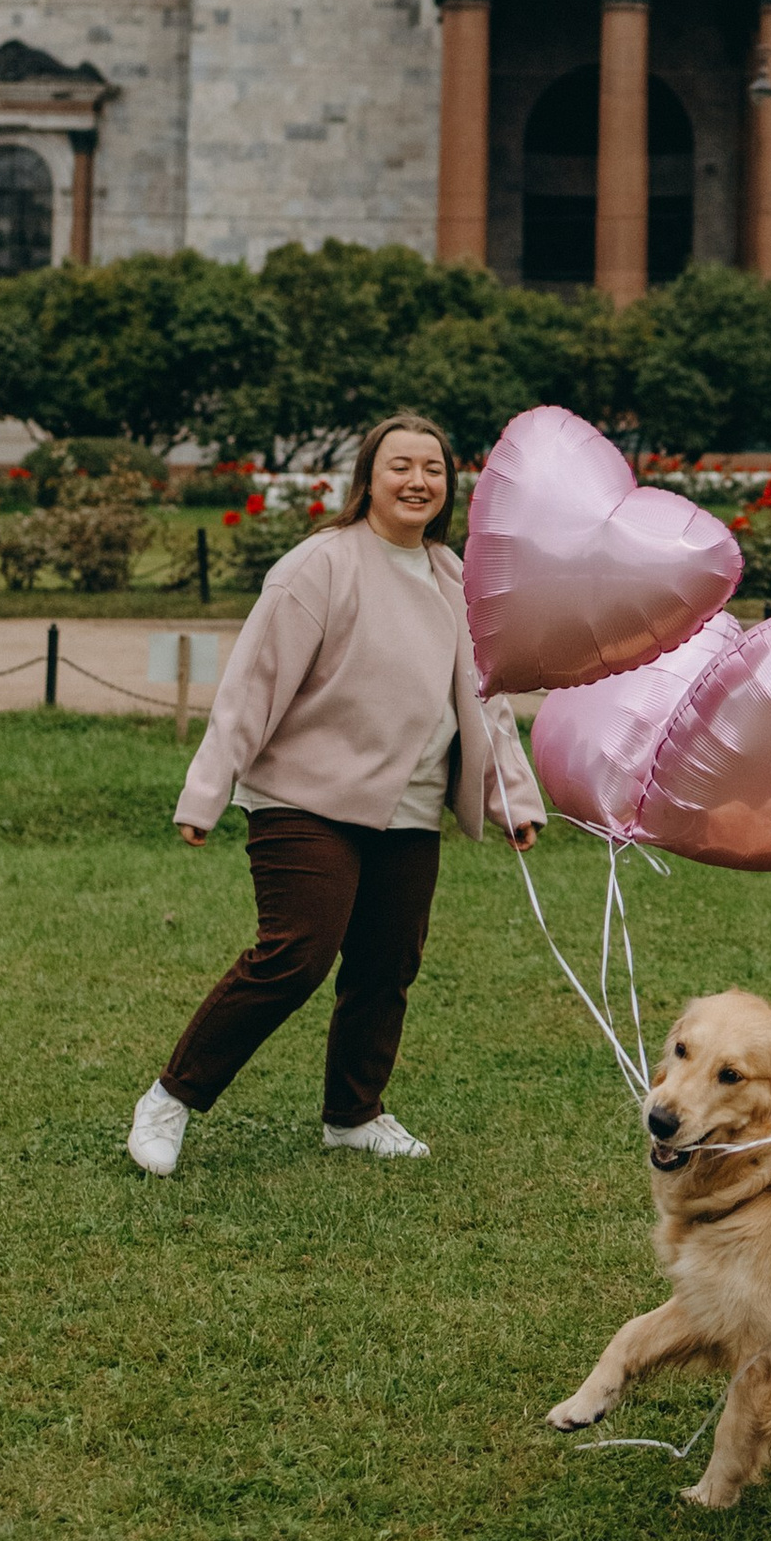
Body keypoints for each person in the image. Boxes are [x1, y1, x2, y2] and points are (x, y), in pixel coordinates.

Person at [126, 414, 543, 1176]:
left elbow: (486, 699)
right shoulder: (319, 565)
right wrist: (206, 792)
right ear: (368, 479)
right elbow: (252, 685)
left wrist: (512, 797)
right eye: (400, 466)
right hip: (304, 798)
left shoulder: (455, 578)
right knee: (297, 954)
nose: (417, 481)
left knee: (386, 966)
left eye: (433, 469)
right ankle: (170, 1098)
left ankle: (354, 1116)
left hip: (411, 806)